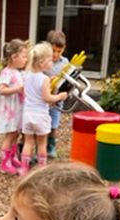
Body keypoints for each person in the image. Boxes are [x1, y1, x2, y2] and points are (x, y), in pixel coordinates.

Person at [21, 42, 68, 175]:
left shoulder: (27, 75)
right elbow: (47, 98)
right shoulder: (44, 79)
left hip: (28, 115)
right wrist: (60, 96)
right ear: (42, 63)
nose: (52, 61)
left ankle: (24, 169)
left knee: (28, 142)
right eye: (49, 59)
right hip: (40, 116)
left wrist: (50, 81)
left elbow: (33, 90)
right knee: (42, 144)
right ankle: (41, 170)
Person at [0, 39, 29, 174]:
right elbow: (2, 90)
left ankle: (13, 157)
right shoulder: (7, 72)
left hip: (18, 109)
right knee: (10, 136)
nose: (26, 60)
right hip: (10, 110)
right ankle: (4, 163)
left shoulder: (18, 72)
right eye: (24, 56)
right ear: (14, 57)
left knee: (15, 134)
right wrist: (18, 88)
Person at [46, 30, 69, 158]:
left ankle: (51, 147)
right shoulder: (43, 62)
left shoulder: (65, 62)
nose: (55, 54)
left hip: (57, 101)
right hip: (44, 100)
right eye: (53, 50)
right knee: (42, 126)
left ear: (64, 49)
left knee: (54, 124)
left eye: (58, 51)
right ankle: (40, 147)